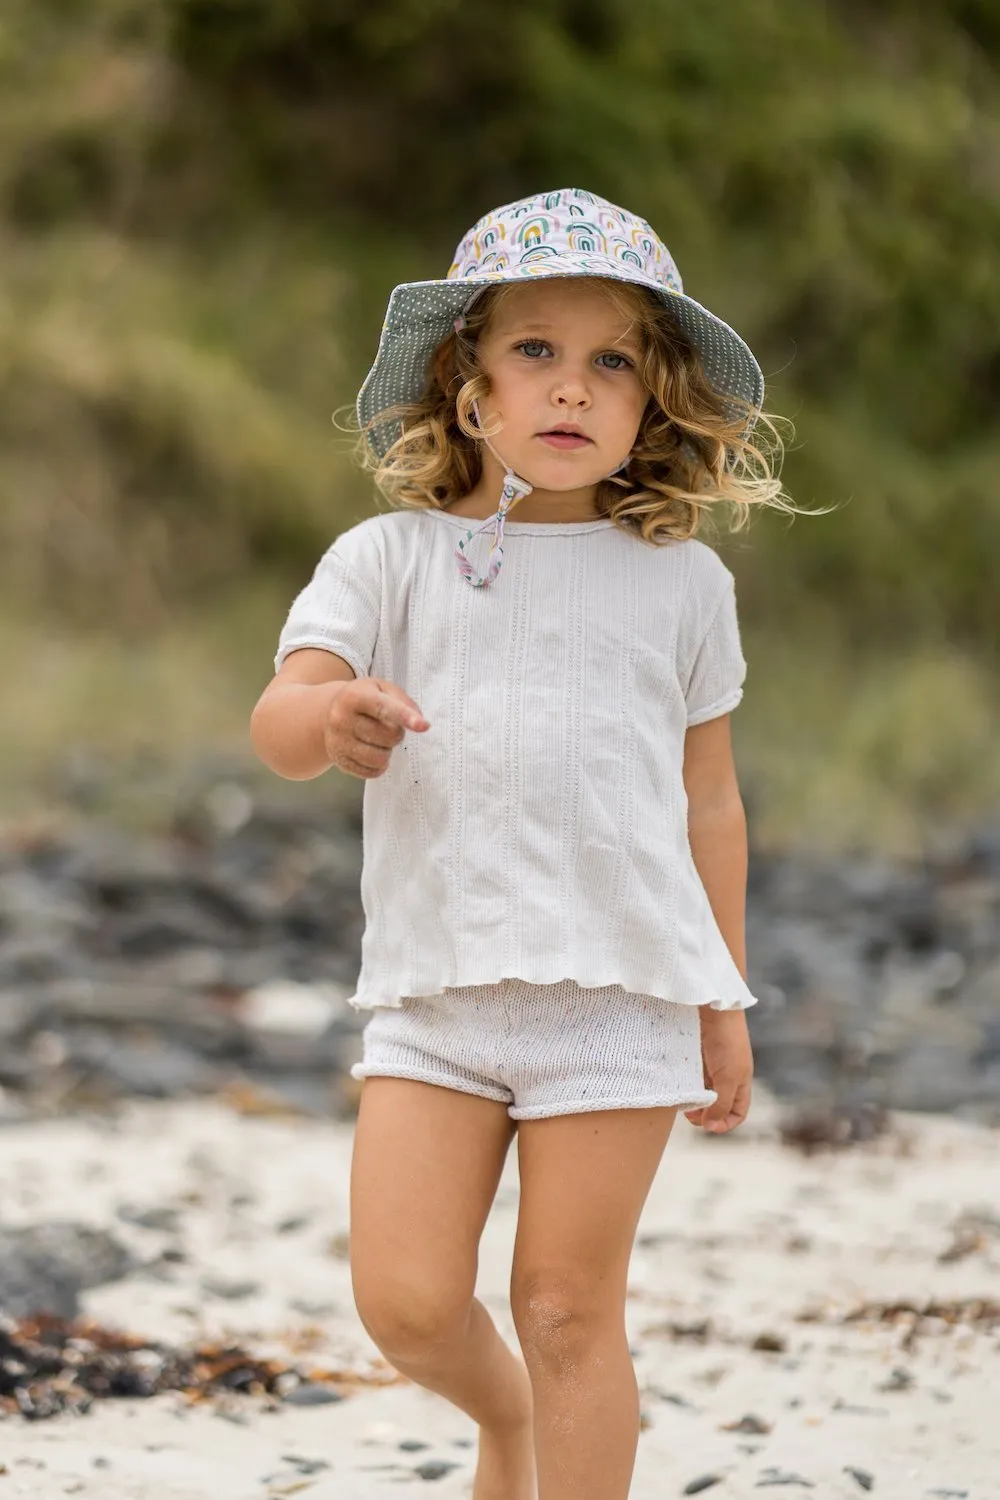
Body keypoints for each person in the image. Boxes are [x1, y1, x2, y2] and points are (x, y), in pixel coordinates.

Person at [250, 187, 800, 1500]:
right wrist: (331, 715)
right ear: (470, 387)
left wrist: (724, 998)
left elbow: (708, 805)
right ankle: (508, 1430)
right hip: (438, 998)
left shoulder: (683, 585)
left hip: (620, 1003)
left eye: (612, 359)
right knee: (411, 1306)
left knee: (565, 1309)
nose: (573, 386)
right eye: (535, 351)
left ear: (653, 399)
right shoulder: (388, 559)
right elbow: (277, 721)